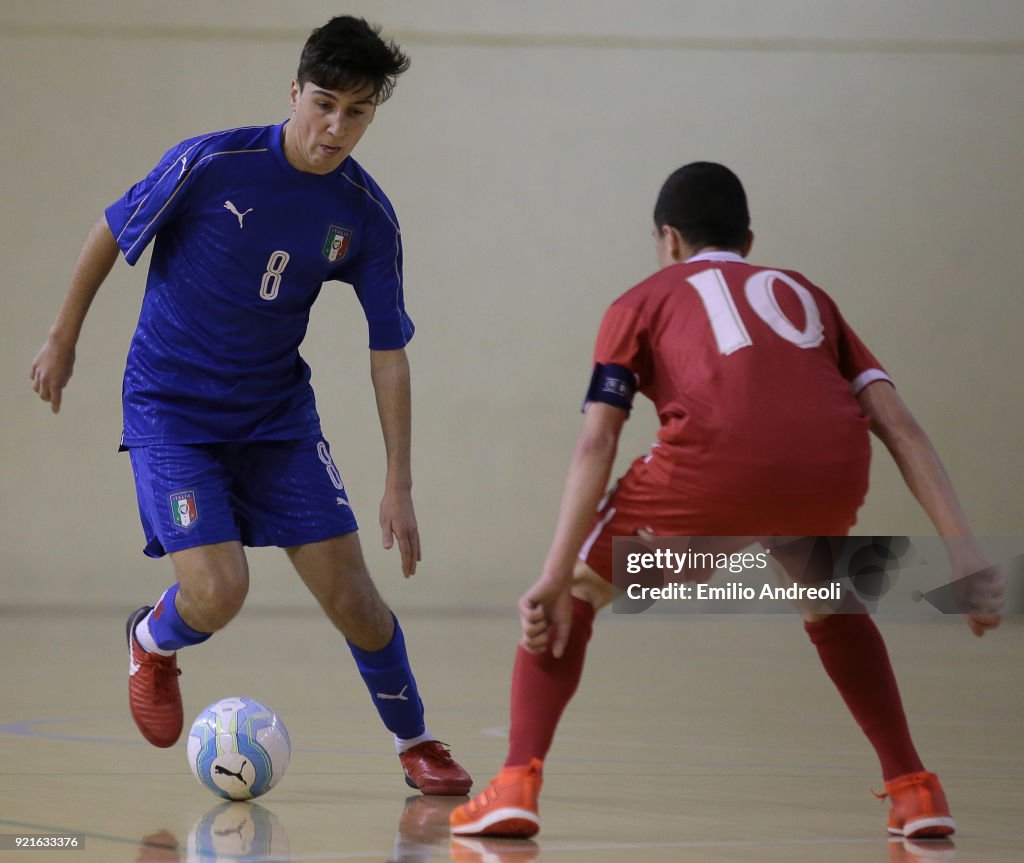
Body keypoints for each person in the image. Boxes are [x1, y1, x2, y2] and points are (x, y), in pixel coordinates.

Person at [450, 162, 1002, 837]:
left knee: (580, 589)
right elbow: (899, 425)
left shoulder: (642, 298)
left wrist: (556, 570)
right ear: (747, 239)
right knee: (826, 591)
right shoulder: (808, 295)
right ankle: (915, 788)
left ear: (669, 240)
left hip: (707, 475)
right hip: (830, 472)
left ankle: (514, 781)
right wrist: (965, 555)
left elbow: (598, 440)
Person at [30, 15, 470, 796]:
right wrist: (64, 338)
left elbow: (387, 349)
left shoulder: (365, 215)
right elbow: (110, 227)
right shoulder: (213, 161)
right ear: (294, 91)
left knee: (358, 601)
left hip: (276, 418)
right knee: (218, 592)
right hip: (172, 409)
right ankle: (150, 640)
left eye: (358, 112)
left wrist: (399, 479)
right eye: (324, 102)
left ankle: (417, 740)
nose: (335, 127)